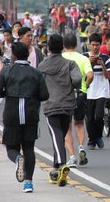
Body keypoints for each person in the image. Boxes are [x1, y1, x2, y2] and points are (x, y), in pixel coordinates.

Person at [0, 42, 49, 193]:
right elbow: (45, 95)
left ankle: (18, 159)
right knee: (29, 147)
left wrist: (8, 94)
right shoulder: (36, 73)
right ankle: (28, 184)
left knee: (12, 147)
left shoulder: (7, 70)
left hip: (12, 112)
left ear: (14, 55)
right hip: (31, 113)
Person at [38, 34, 82, 187]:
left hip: (51, 105)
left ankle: (62, 164)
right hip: (68, 104)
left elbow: (38, 84)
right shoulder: (70, 64)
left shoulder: (42, 66)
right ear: (62, 47)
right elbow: (77, 79)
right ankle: (56, 169)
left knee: (56, 136)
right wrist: (72, 86)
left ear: (48, 48)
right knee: (61, 135)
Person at [62, 34, 94, 168]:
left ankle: (72, 156)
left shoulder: (60, 58)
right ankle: (81, 147)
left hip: (65, 94)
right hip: (80, 93)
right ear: (76, 45)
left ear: (64, 45)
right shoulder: (83, 58)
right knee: (79, 123)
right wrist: (85, 86)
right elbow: (90, 75)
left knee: (67, 127)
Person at [83, 34, 110, 150]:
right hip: (89, 89)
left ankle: (98, 136)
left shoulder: (105, 58)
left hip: (102, 89)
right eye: (93, 45)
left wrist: (102, 65)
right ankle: (91, 139)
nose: (95, 47)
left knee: (99, 115)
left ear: (101, 45)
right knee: (89, 117)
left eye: (97, 45)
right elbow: (81, 72)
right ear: (89, 45)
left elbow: (108, 75)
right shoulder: (84, 57)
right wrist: (90, 63)